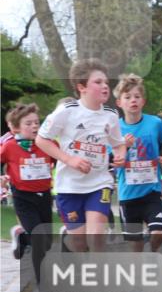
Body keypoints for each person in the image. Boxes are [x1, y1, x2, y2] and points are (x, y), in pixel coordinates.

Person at [36, 59, 126, 253]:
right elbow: (41, 140)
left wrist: (120, 155)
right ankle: (69, 243)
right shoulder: (67, 112)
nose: (105, 86)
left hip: (99, 183)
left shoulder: (111, 115)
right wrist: (70, 159)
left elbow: (118, 144)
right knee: (80, 244)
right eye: (98, 82)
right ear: (81, 87)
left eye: (105, 82)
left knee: (96, 239)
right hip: (69, 186)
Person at [114, 73, 162, 253]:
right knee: (135, 246)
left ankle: (153, 252)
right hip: (128, 195)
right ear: (119, 103)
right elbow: (113, 161)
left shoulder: (155, 123)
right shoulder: (114, 129)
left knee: (159, 232)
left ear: (143, 101)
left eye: (137, 97)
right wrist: (124, 146)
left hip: (151, 192)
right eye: (128, 97)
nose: (133, 101)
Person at [2, 102, 55, 292]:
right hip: (23, 198)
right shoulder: (9, 147)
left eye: (36, 123)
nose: (34, 126)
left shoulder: (47, 144)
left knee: (46, 242)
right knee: (40, 240)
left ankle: (22, 237)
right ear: (16, 128)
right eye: (28, 123)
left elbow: (61, 159)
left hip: (44, 197)